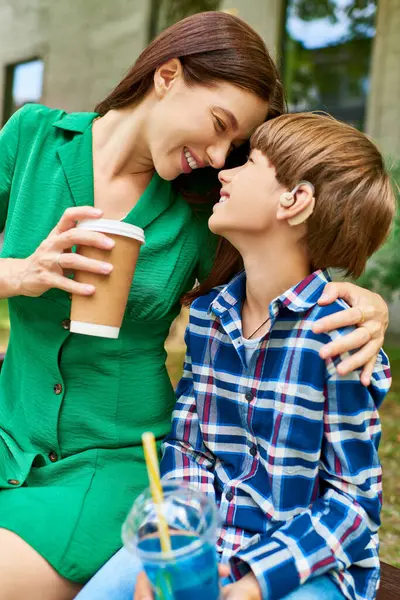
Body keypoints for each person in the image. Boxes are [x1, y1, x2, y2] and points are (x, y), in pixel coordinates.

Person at [0, 11, 388, 600]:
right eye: (218, 125)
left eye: (235, 147)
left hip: (119, 459)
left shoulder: (203, 209)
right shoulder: (30, 138)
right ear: (168, 75)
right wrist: (20, 274)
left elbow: (291, 265)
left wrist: (365, 301)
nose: (216, 155)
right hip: (11, 434)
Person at [86, 112, 395, 600]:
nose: (223, 174)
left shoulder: (340, 335)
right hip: (209, 543)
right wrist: (174, 546)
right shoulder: (209, 319)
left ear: (294, 201)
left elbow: (354, 503)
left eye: (248, 162)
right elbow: (190, 450)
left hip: (305, 567)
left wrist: (255, 581)